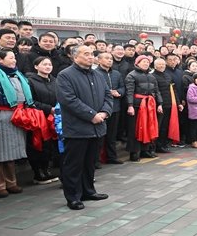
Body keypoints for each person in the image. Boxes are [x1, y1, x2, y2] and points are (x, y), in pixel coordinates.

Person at [56, 45, 112, 210]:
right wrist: (91, 115)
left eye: (92, 54)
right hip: (77, 128)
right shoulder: (65, 75)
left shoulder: (98, 75)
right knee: (74, 164)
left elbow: (108, 95)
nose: (90, 57)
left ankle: (88, 191)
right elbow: (68, 100)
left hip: (98, 126)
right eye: (86, 54)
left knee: (90, 162)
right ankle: (73, 196)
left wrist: (104, 112)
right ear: (75, 57)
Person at [0, 49, 32, 197]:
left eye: (14, 57)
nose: (14, 60)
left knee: (11, 153)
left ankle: (11, 182)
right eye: (11, 57)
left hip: (16, 117)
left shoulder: (16, 75)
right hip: (0, 116)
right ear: (0, 60)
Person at [26, 56, 59, 184]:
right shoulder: (30, 81)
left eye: (49, 64)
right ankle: (38, 172)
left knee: (50, 145)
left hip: (54, 117)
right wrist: (48, 108)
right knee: (38, 144)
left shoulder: (55, 81)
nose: (47, 66)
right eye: (44, 64)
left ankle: (46, 170)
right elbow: (30, 101)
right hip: (38, 117)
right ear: (36, 67)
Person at [125, 55, 163, 161]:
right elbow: (129, 92)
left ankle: (145, 150)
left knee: (148, 127)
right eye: (143, 62)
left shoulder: (152, 77)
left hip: (149, 106)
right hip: (137, 106)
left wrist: (159, 103)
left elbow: (156, 91)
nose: (146, 63)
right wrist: (130, 105)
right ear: (137, 63)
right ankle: (134, 152)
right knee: (135, 128)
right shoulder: (131, 75)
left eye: (147, 62)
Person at [96, 52, 125, 164]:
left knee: (112, 135)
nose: (109, 60)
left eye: (111, 59)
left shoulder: (116, 74)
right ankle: (96, 160)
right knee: (100, 136)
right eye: (106, 58)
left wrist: (119, 92)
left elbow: (123, 87)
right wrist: (108, 92)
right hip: (101, 108)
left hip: (115, 107)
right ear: (99, 60)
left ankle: (112, 157)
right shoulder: (95, 73)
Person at [151, 58, 176, 152]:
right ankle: (156, 146)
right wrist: (159, 104)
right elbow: (155, 92)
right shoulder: (153, 76)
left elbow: (173, 90)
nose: (162, 66)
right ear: (155, 66)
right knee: (159, 126)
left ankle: (163, 144)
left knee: (165, 126)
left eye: (163, 64)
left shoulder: (168, 75)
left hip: (169, 103)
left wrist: (177, 103)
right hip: (159, 105)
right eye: (159, 64)